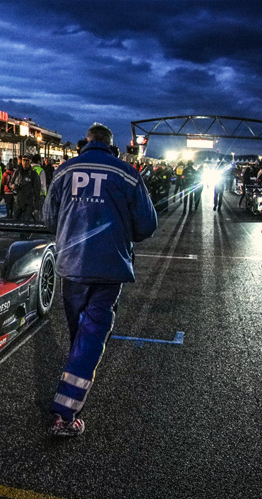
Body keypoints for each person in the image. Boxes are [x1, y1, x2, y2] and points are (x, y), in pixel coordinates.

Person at [42, 123, 157, 437]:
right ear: (112, 146)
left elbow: (48, 218)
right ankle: (65, 414)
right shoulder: (127, 173)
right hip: (108, 268)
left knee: (79, 335)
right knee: (91, 338)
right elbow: (147, 225)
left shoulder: (64, 171)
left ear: (85, 144)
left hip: (71, 266)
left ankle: (71, 396)